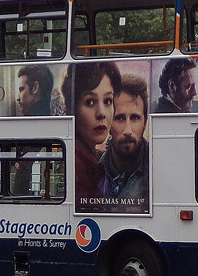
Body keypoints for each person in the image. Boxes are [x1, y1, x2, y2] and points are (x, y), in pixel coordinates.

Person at [62, 62, 121, 208]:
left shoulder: (92, 159)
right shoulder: (78, 164)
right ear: (72, 108)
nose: (101, 113)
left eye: (108, 101)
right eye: (90, 102)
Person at [97, 74, 150, 210]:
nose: (128, 130)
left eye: (135, 118)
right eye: (120, 118)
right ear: (107, 123)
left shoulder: (157, 167)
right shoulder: (93, 171)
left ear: (145, 122)